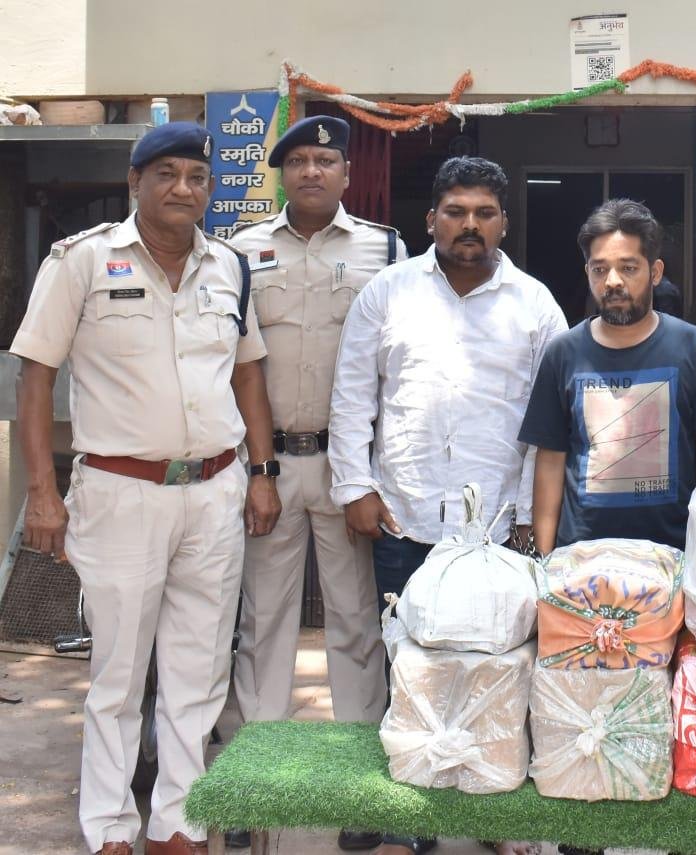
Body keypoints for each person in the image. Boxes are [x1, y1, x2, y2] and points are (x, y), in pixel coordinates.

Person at [12, 121, 280, 855]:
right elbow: (35, 377)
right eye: (165, 174)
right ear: (135, 182)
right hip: (119, 492)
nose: (182, 189)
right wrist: (42, 492)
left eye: (196, 177)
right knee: (119, 672)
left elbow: (248, 374)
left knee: (200, 669)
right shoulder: (81, 261)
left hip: (215, 490)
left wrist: (261, 473)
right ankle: (109, 827)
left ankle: (179, 823)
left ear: (210, 189)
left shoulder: (229, 268)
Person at [329, 155, 564, 855]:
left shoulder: (535, 305)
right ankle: (411, 804)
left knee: (499, 666)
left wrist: (528, 515)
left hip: (496, 526)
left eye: (484, 213)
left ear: (503, 223)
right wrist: (355, 487)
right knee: (409, 663)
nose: (469, 225)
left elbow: (550, 425)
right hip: (404, 512)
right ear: (430, 219)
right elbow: (353, 395)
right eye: (456, 212)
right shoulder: (388, 292)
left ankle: (494, 812)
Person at [225, 115, 406, 853]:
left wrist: (372, 474)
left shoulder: (385, 249)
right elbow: (234, 365)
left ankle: (361, 788)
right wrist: (256, 470)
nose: (310, 171)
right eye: (297, 160)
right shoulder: (240, 251)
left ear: (346, 174)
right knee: (262, 624)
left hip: (349, 467)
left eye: (325, 160)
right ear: (281, 173)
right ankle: (253, 786)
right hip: (267, 465)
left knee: (357, 625)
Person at [520, 198, 696, 555]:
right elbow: (551, 461)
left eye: (628, 268)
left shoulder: (695, 348)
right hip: (581, 559)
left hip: (673, 556)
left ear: (655, 272)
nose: (613, 281)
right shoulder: (563, 354)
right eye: (600, 269)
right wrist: (545, 562)